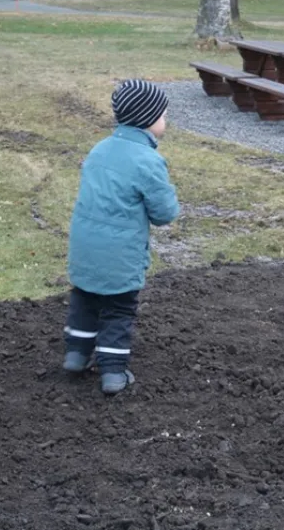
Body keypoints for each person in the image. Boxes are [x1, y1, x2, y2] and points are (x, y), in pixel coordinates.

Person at [63, 80, 179, 395]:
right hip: (120, 255)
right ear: (148, 118)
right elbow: (164, 212)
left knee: (85, 299)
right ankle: (113, 372)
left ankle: (76, 355)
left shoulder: (98, 150)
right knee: (118, 309)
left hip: (84, 249)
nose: (165, 121)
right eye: (163, 115)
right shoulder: (148, 161)